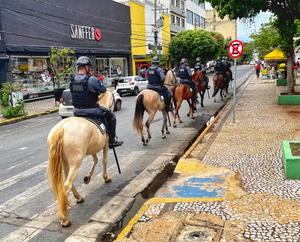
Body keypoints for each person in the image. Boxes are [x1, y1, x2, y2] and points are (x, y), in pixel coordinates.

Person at [70, 56, 123, 149]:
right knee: (112, 116)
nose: (90, 69)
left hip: (76, 111)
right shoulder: (92, 79)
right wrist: (94, 78)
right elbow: (103, 90)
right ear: (86, 67)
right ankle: (112, 141)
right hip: (91, 110)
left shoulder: (72, 80)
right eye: (89, 67)